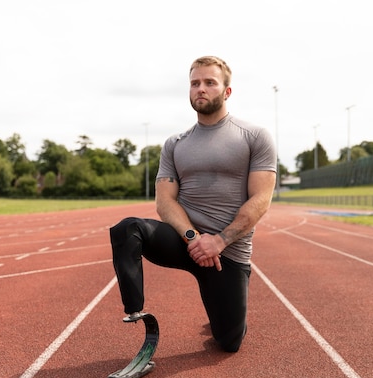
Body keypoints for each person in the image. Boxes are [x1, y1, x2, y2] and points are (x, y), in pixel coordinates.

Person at [109, 55, 277, 352]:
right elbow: (164, 202)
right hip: (186, 241)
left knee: (228, 342)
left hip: (227, 254)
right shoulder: (175, 144)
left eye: (210, 83)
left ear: (227, 92)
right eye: (195, 83)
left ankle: (225, 317)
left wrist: (220, 241)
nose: (201, 89)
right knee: (128, 230)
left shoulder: (254, 137)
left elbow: (260, 199)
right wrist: (193, 238)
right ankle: (135, 312)